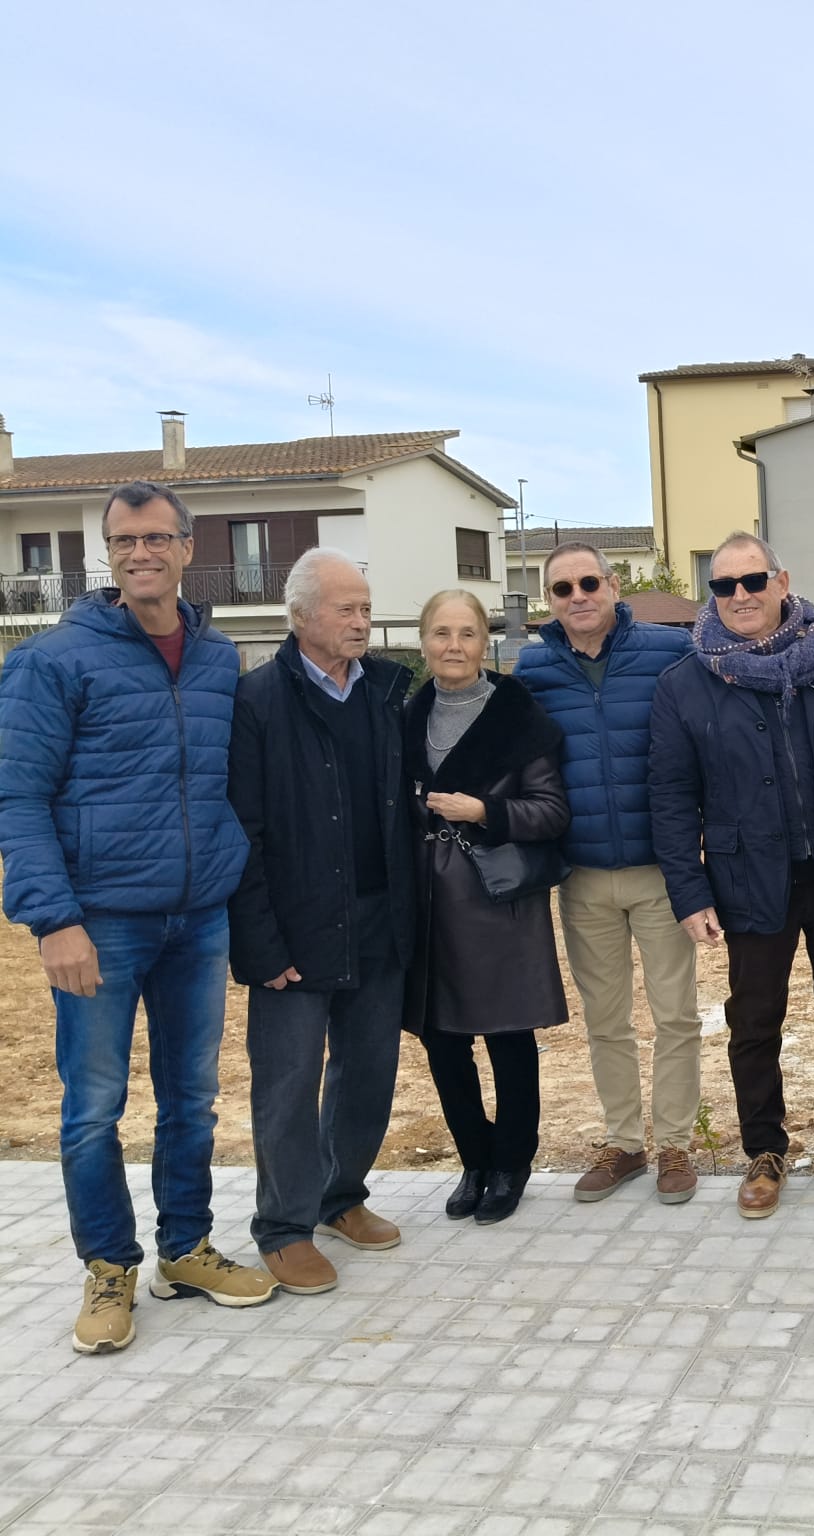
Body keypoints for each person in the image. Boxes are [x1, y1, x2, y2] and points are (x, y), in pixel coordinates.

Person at [0, 481, 276, 1353]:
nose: (140, 553)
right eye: (124, 540)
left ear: (187, 548)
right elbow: (17, 797)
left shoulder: (216, 656)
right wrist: (54, 920)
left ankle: (185, 1249)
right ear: (109, 553)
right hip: (101, 923)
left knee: (192, 1099)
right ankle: (108, 1268)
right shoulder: (54, 660)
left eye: (156, 537)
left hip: (197, 919)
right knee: (93, 1106)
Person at [650, 533, 814, 1219]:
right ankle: (764, 1149)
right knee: (754, 1021)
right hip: (747, 878)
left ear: (781, 581)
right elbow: (671, 799)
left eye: (753, 580)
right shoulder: (685, 684)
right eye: (724, 585)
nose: (740, 595)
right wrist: (690, 893)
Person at [228, 548, 415, 1295]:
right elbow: (243, 832)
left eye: (366, 608)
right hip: (294, 929)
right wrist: (260, 943)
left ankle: (341, 1197)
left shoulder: (386, 693)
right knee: (288, 1082)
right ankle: (283, 1227)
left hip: (377, 921)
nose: (362, 621)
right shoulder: (256, 702)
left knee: (367, 1071)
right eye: (347, 609)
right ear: (301, 615)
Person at [516, 542, 702, 1205]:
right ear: (549, 600)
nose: (578, 597)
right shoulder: (533, 668)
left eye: (589, 582)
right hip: (584, 874)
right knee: (606, 1019)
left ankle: (676, 1143)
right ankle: (624, 1142)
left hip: (660, 870)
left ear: (614, 585)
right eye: (562, 589)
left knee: (676, 1015)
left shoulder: (668, 651)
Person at [404, 590, 571, 1226]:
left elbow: (552, 812)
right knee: (443, 1041)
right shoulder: (405, 716)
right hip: (426, 901)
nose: (454, 646)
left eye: (467, 633)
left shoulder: (517, 714)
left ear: (485, 641)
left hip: (496, 900)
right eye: (442, 633)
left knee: (507, 1036)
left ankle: (511, 1163)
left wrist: (484, 810)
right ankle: (473, 1160)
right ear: (424, 640)